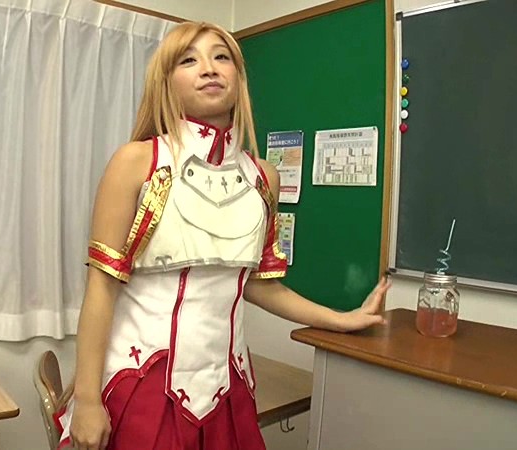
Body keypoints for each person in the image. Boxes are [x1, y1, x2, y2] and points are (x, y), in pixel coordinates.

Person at [55, 21, 391, 450]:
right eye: (188, 60)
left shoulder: (263, 177)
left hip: (228, 388)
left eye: (221, 57)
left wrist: (342, 319)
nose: (209, 68)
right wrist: (87, 399)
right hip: (139, 385)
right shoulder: (136, 162)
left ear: (239, 78)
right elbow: (101, 288)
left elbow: (257, 285)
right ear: (166, 83)